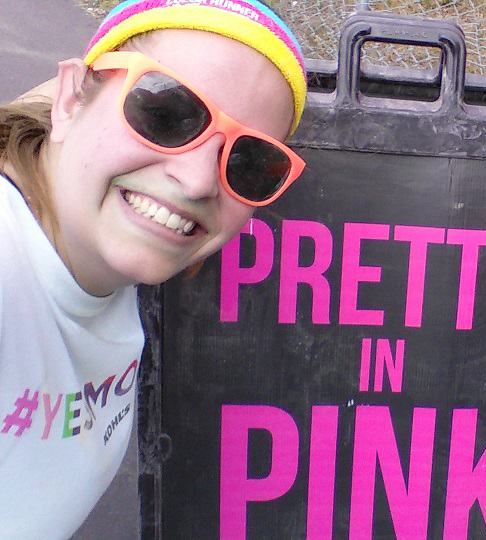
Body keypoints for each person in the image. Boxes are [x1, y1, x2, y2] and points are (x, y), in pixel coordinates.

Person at [0, 1, 307, 536]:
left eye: (250, 162)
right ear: (70, 101)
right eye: (165, 113)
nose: (198, 182)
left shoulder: (87, 229)